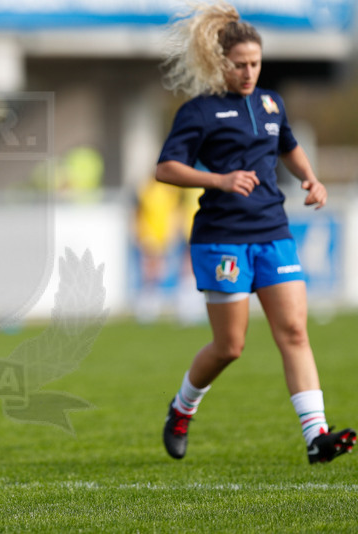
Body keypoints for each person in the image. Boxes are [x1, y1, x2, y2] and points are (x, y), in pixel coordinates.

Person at [156, 2, 355, 463]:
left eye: (255, 64)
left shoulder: (270, 102)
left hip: (273, 232)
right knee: (230, 347)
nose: (248, 72)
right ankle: (182, 408)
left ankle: (317, 436)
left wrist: (311, 177)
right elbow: (166, 168)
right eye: (240, 65)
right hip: (221, 238)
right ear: (220, 63)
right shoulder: (199, 112)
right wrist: (219, 180)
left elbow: (288, 144)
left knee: (294, 331)